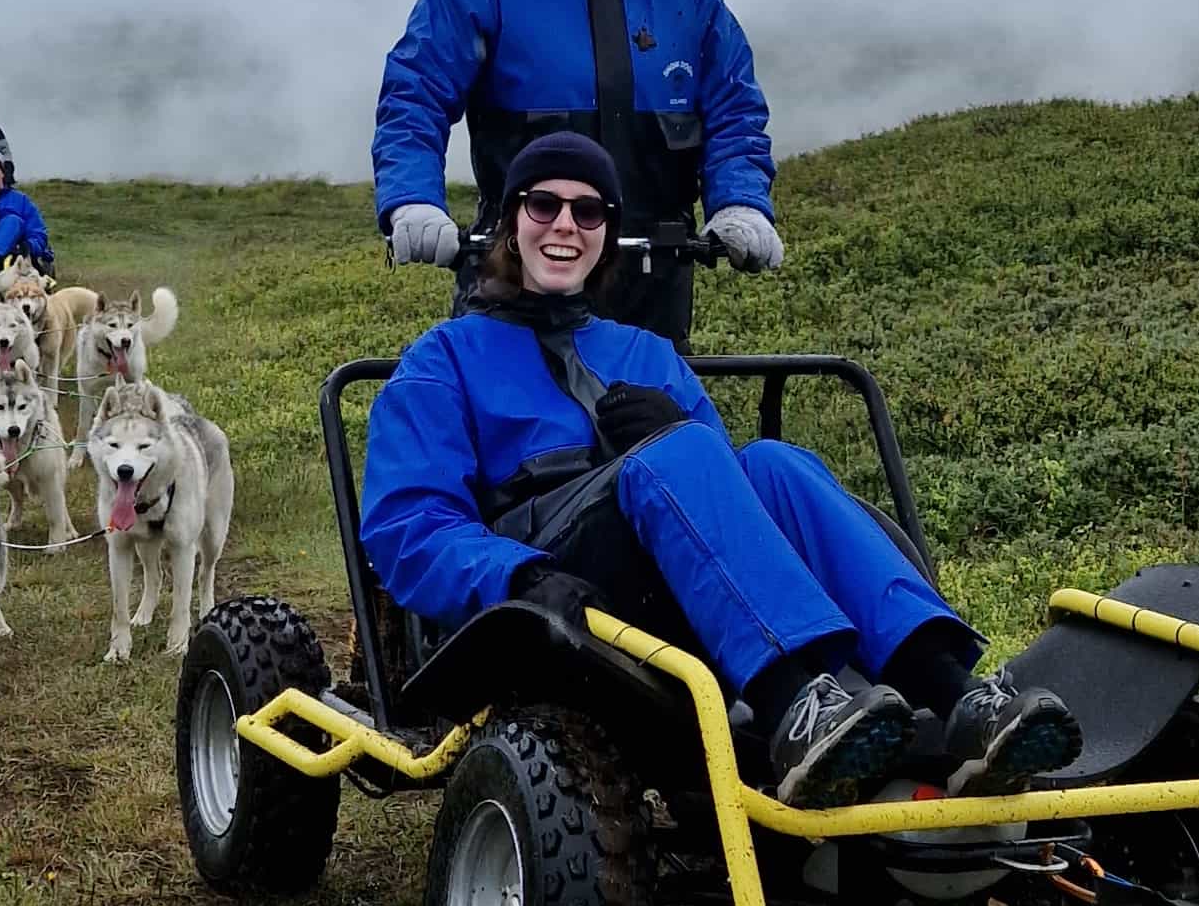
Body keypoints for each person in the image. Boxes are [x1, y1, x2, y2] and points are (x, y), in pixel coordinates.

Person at [357, 132, 1082, 809]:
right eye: (543, 204)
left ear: (608, 232)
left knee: (774, 463)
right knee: (689, 451)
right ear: (512, 222)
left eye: (588, 210)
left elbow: (726, 494)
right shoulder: (444, 358)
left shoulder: (645, 353)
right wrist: (518, 572)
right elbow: (407, 528)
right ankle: (792, 705)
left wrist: (673, 432)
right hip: (542, 569)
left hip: (666, 573)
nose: (564, 226)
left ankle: (958, 699)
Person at [372, 0, 780, 342]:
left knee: (654, 426)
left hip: (651, 284)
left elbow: (734, 104)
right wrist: (412, 200)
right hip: (517, 274)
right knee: (515, 426)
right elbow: (413, 97)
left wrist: (740, 201)